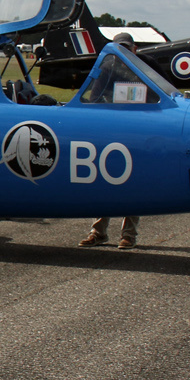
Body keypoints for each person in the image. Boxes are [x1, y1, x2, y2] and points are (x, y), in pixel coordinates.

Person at [80, 33, 142, 250]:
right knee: (104, 184)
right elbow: (92, 98)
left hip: (136, 134)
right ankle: (98, 233)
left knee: (134, 187)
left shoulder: (145, 68)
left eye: (127, 48)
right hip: (110, 133)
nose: (124, 52)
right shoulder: (106, 69)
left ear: (134, 49)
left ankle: (129, 236)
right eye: (120, 48)